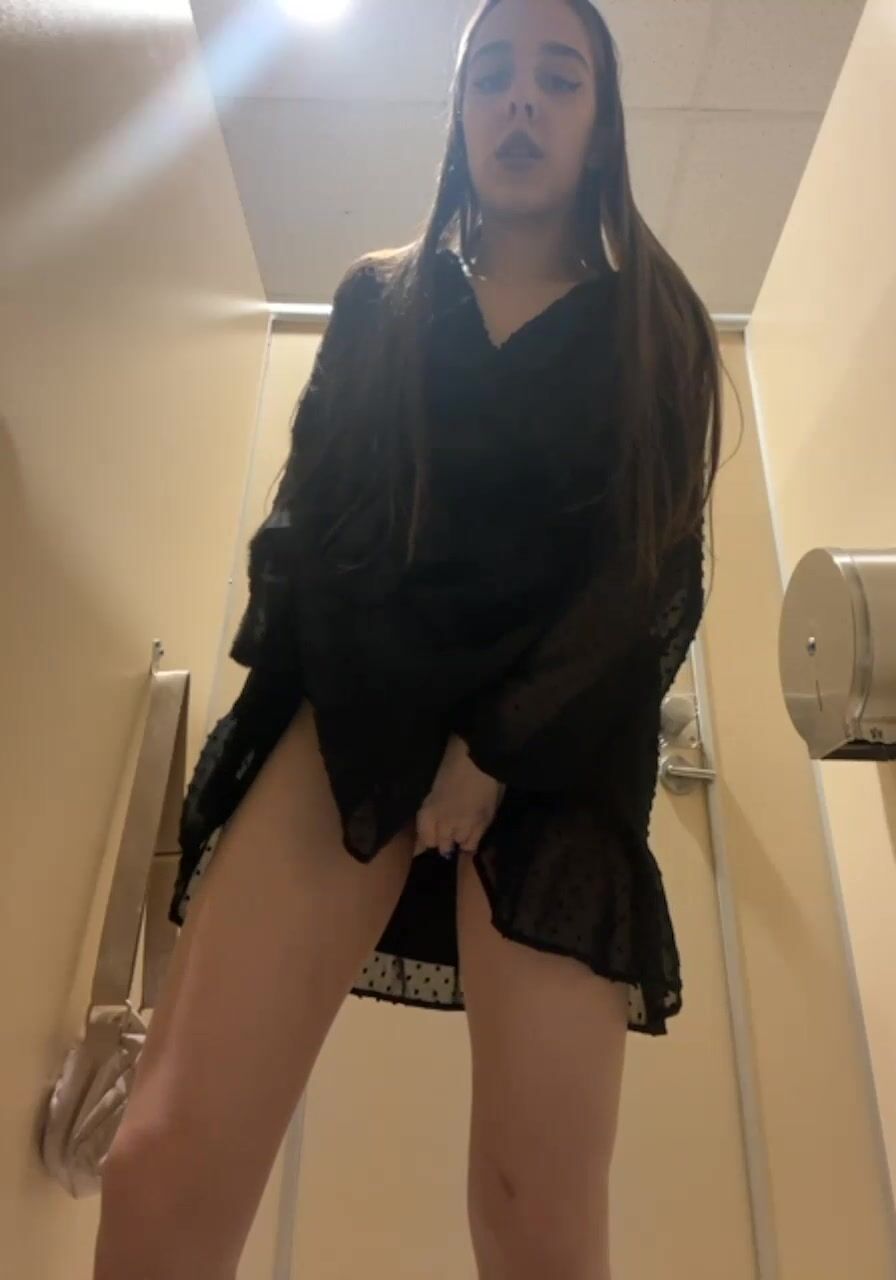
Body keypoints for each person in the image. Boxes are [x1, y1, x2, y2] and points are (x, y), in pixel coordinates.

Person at [93, 1, 722, 1277]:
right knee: (158, 1153)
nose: (522, 101)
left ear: (601, 122)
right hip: (354, 709)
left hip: (558, 757)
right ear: (459, 112)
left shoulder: (658, 321)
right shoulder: (377, 299)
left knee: (536, 1216)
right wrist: (390, 726)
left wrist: (491, 750)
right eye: (493, 76)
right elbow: (305, 533)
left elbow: (647, 576)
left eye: (559, 78)